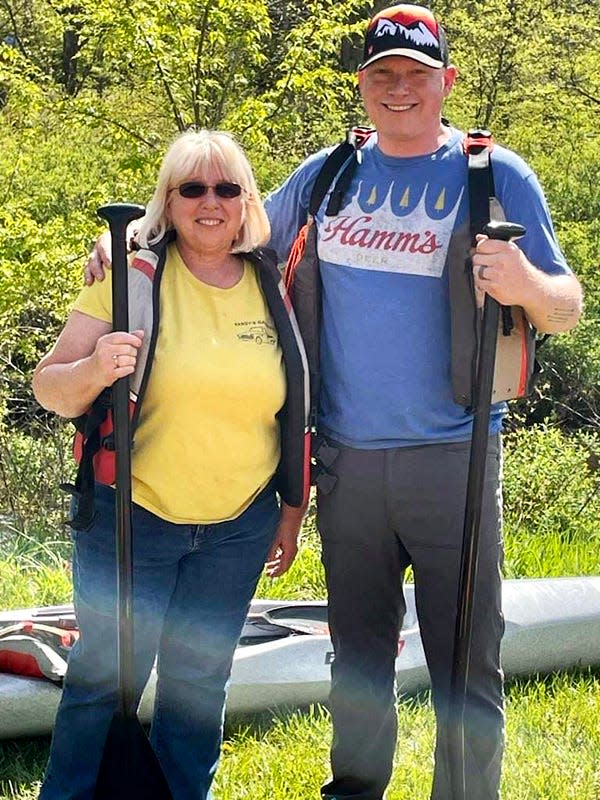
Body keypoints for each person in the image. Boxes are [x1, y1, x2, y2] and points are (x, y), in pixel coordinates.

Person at [85, 6, 583, 799]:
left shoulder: (494, 175)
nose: (398, 90)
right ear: (361, 86)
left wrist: (525, 285)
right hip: (346, 459)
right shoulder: (328, 176)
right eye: (382, 75)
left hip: (453, 454)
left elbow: (568, 305)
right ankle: (355, 790)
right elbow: (225, 228)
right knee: (355, 653)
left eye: (416, 76)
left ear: (445, 83)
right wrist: (134, 240)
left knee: (465, 654)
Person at [32, 129, 309, 800]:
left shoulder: (275, 284)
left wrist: (291, 511)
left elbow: (292, 406)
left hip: (238, 527)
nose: (209, 203)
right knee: (104, 681)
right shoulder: (130, 277)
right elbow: (49, 387)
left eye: (226, 189)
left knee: (198, 685)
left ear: (247, 202)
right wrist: (97, 368)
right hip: (134, 520)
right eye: (191, 188)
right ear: (168, 200)